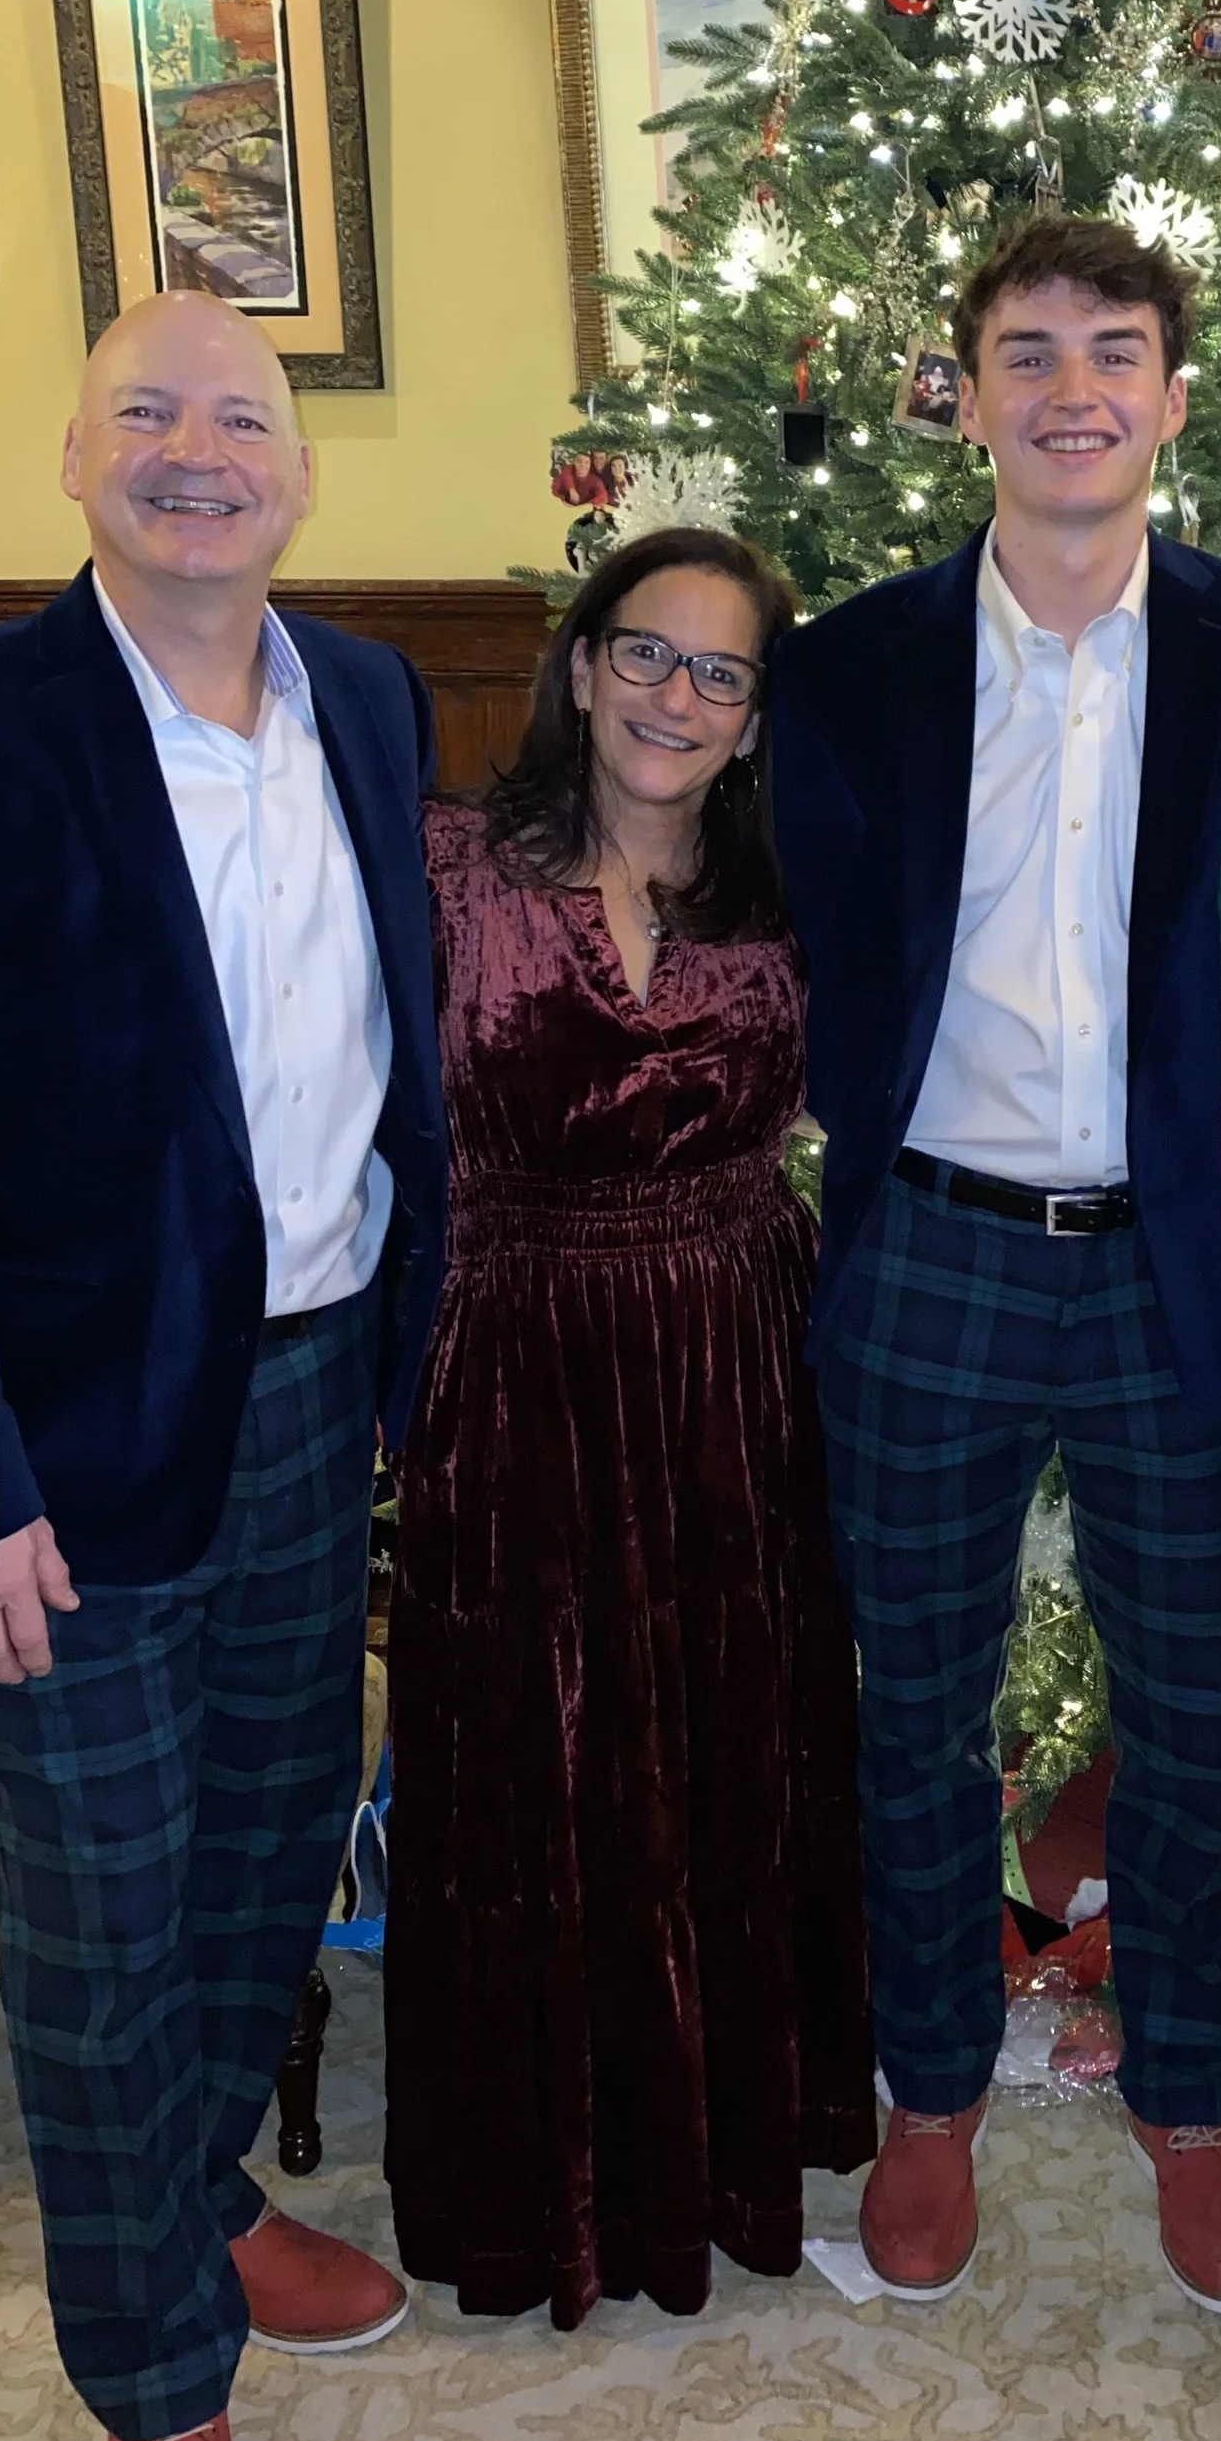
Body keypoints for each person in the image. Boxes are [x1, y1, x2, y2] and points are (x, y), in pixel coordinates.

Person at [0, 290, 446, 2441]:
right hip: (53, 1457)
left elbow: (395, 1062)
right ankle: (158, 2390)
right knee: (95, 1928)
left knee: (263, 1853)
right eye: (145, 411)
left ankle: (204, 2201)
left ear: (296, 473)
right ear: (74, 457)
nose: (195, 449)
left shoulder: (366, 699)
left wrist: (403, 1361)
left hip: (308, 1405)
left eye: (238, 416)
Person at [772, 214, 1221, 2314]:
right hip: (929, 1251)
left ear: (1176, 395)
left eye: (1114, 346)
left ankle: (1190, 2095)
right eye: (1025, 348)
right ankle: (929, 2093)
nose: (1071, 383)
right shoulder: (846, 670)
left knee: (1195, 1714)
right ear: (966, 392)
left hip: (1182, 1268)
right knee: (907, 1710)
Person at [382, 528, 877, 2322]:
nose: (679, 695)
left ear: (753, 723)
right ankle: (542, 2194)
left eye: (722, 674)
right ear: (582, 668)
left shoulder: (792, 893)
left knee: (733, 1760)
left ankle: (729, 2154)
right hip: (518, 1371)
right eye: (647, 655)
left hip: (744, 1370)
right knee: (533, 1762)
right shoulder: (441, 870)